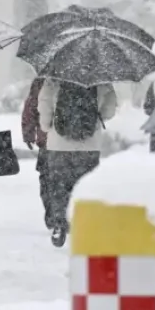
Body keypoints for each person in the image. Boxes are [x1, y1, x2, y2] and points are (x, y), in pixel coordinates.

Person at [38, 79, 117, 247]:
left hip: (59, 144)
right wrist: (94, 119)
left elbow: (44, 105)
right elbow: (109, 111)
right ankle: (86, 224)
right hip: (89, 144)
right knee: (86, 186)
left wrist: (47, 126)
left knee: (59, 185)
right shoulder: (102, 79)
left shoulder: (53, 77)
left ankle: (59, 223)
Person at [21, 77, 52, 229]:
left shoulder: (43, 80)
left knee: (47, 179)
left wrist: (28, 133)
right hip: (75, 142)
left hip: (48, 140)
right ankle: (62, 213)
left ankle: (53, 214)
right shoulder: (81, 77)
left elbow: (31, 107)